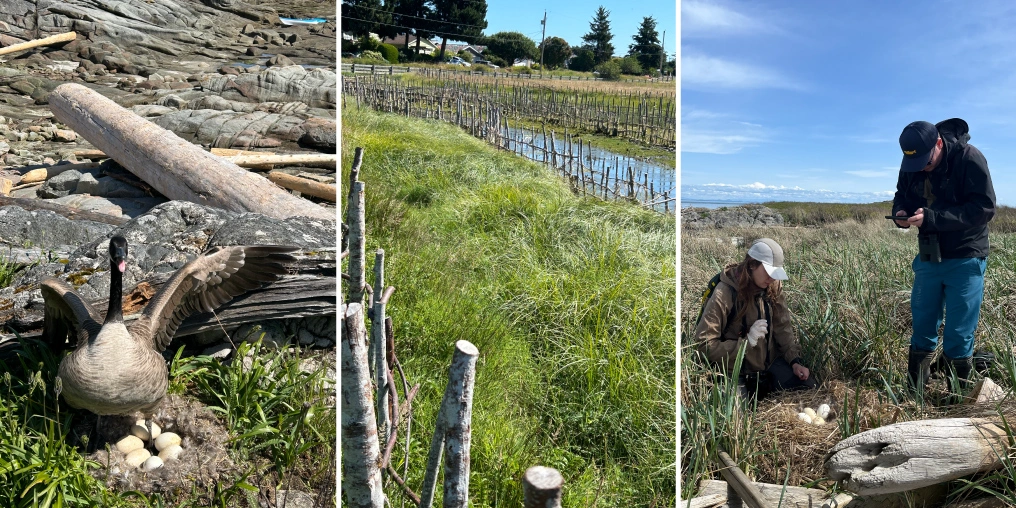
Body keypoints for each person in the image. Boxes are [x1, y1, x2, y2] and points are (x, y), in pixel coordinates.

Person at [892, 119, 995, 395]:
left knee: (959, 333)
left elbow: (984, 208)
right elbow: (901, 195)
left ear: (938, 143)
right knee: (922, 323)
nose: (922, 168)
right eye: (915, 164)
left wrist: (933, 218)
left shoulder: (969, 158)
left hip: (966, 255)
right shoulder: (913, 161)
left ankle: (955, 400)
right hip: (929, 254)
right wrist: (900, 213)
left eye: (926, 161)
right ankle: (915, 396)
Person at [695, 238, 816, 399]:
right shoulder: (724, 293)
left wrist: (795, 362)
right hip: (734, 370)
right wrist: (746, 344)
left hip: (769, 365)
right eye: (768, 272)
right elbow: (704, 344)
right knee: (733, 413)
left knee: (810, 388)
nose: (772, 278)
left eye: (775, 273)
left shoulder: (773, 285)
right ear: (752, 264)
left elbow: (783, 327)